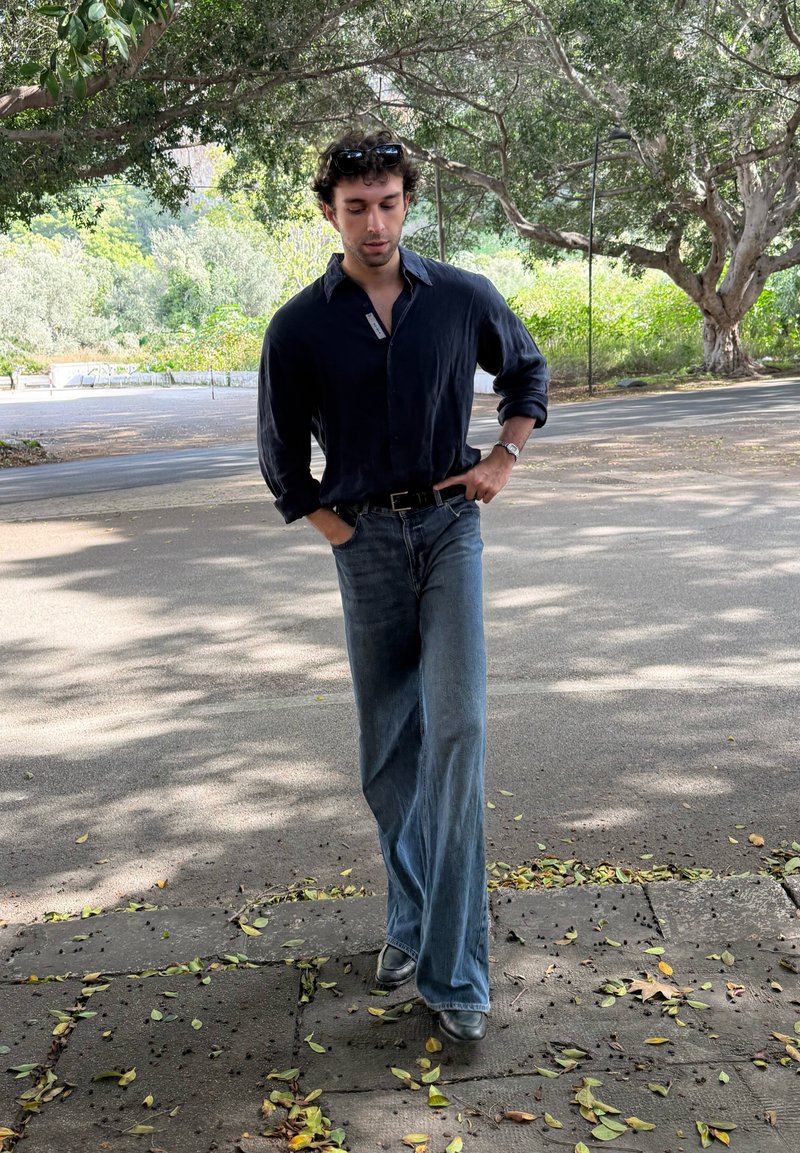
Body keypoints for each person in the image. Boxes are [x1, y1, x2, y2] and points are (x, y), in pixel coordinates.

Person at [257, 129, 548, 1043]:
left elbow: (527, 370)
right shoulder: (300, 323)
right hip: (366, 546)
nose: (373, 222)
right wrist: (337, 527)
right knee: (391, 755)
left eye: (387, 203)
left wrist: (504, 453)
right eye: (355, 207)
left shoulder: (461, 296)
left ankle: (455, 974)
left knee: (458, 732)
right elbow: (280, 454)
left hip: (450, 528)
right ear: (330, 212)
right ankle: (408, 922)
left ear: (407, 204)